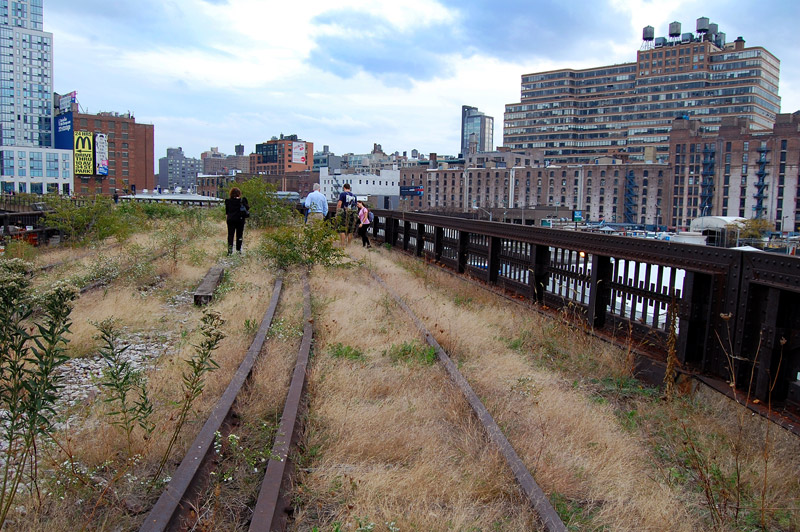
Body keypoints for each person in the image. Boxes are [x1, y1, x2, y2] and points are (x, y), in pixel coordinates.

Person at [225, 187, 249, 254]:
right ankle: (238, 250)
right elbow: (247, 208)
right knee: (239, 235)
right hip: (240, 220)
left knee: (230, 235)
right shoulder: (242, 201)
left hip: (231, 220)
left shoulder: (228, 201)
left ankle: (229, 251)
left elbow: (227, 212)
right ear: (239, 193)